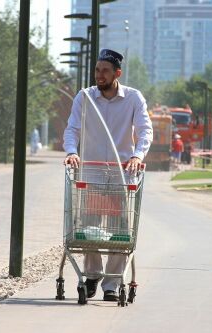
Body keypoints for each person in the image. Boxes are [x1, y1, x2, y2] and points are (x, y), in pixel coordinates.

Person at [63, 49, 153, 302]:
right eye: (97, 70)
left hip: (121, 176)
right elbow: (72, 129)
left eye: (105, 71)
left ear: (117, 74)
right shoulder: (84, 97)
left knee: (120, 232)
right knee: (88, 228)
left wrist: (137, 156)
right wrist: (72, 151)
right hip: (90, 174)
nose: (99, 75)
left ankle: (112, 283)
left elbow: (146, 130)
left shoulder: (134, 98)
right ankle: (92, 275)